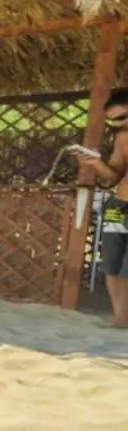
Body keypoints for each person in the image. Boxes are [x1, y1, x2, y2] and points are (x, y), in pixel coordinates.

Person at [79, 86, 128, 329]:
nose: (118, 124)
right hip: (118, 205)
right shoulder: (123, 137)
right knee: (112, 262)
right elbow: (114, 176)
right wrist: (96, 164)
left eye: (122, 118)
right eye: (114, 121)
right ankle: (121, 319)